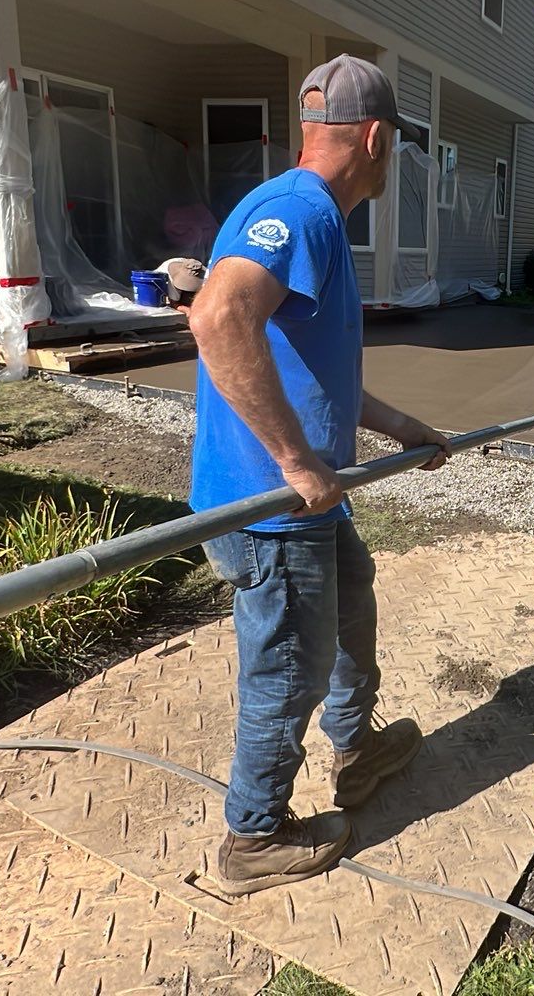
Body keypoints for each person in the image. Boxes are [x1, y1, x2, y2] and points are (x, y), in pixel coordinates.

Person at [188, 55, 451, 896]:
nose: (391, 162)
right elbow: (218, 315)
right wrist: (297, 462)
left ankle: (356, 747)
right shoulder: (299, 211)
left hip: (310, 501)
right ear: (375, 138)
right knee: (287, 668)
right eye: (393, 148)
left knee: (353, 602)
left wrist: (401, 426)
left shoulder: (315, 219)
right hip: (269, 507)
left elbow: (316, 368)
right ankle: (252, 838)